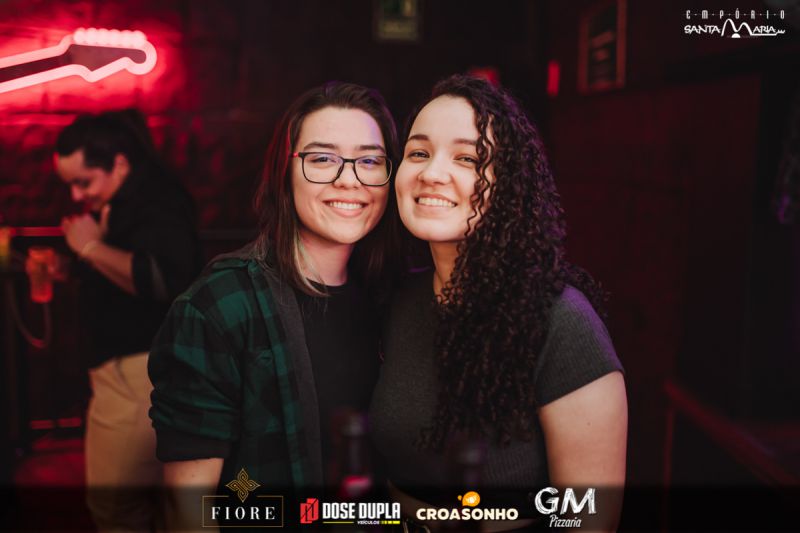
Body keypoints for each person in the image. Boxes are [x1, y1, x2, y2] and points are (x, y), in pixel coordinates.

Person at [369, 75, 628, 532]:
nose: (432, 173)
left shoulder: (561, 322)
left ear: (508, 185)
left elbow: (589, 522)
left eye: (468, 158)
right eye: (419, 153)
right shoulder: (400, 301)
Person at [147, 81, 400, 529]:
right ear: (285, 172)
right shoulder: (220, 305)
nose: (349, 179)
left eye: (369, 160)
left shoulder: (391, 298)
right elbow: (189, 511)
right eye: (322, 159)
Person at [54, 110, 202, 532]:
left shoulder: (156, 200)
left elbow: (166, 278)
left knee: (116, 508)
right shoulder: (125, 203)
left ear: (119, 164)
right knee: (157, 508)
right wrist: (67, 265)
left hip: (139, 376)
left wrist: (89, 248)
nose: (77, 195)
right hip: (132, 373)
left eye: (84, 182)